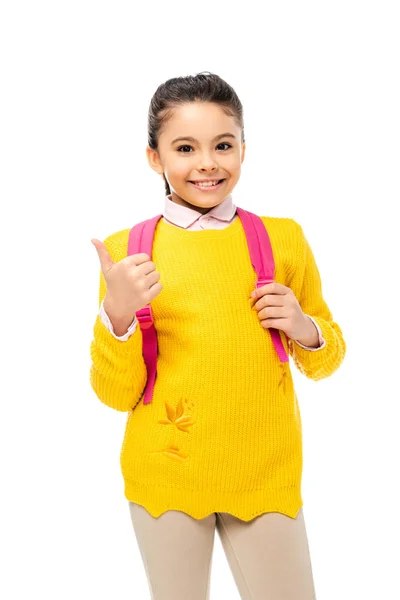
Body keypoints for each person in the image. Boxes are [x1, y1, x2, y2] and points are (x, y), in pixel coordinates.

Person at [89, 71, 346, 600]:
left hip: (265, 470)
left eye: (222, 145)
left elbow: (327, 361)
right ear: (155, 158)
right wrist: (115, 315)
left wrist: (304, 328)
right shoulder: (127, 251)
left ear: (244, 150)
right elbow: (116, 395)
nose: (207, 162)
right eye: (185, 147)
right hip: (167, 472)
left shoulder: (284, 238)